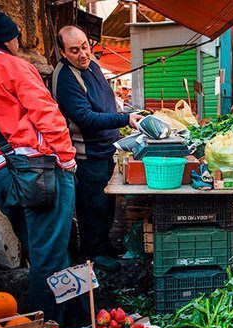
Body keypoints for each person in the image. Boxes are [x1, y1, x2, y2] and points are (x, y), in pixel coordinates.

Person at [0, 5, 77, 322]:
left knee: (49, 251)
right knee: (49, 259)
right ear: (6, 38)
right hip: (36, 173)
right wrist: (67, 159)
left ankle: (75, 319)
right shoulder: (12, 66)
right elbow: (48, 116)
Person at [52, 25, 142, 271]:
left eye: (84, 47)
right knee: (92, 207)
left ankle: (104, 247)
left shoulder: (91, 66)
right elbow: (85, 117)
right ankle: (93, 255)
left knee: (106, 204)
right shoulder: (65, 77)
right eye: (74, 50)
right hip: (86, 155)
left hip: (105, 149)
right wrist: (124, 120)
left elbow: (107, 104)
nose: (82, 54)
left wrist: (126, 114)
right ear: (62, 52)